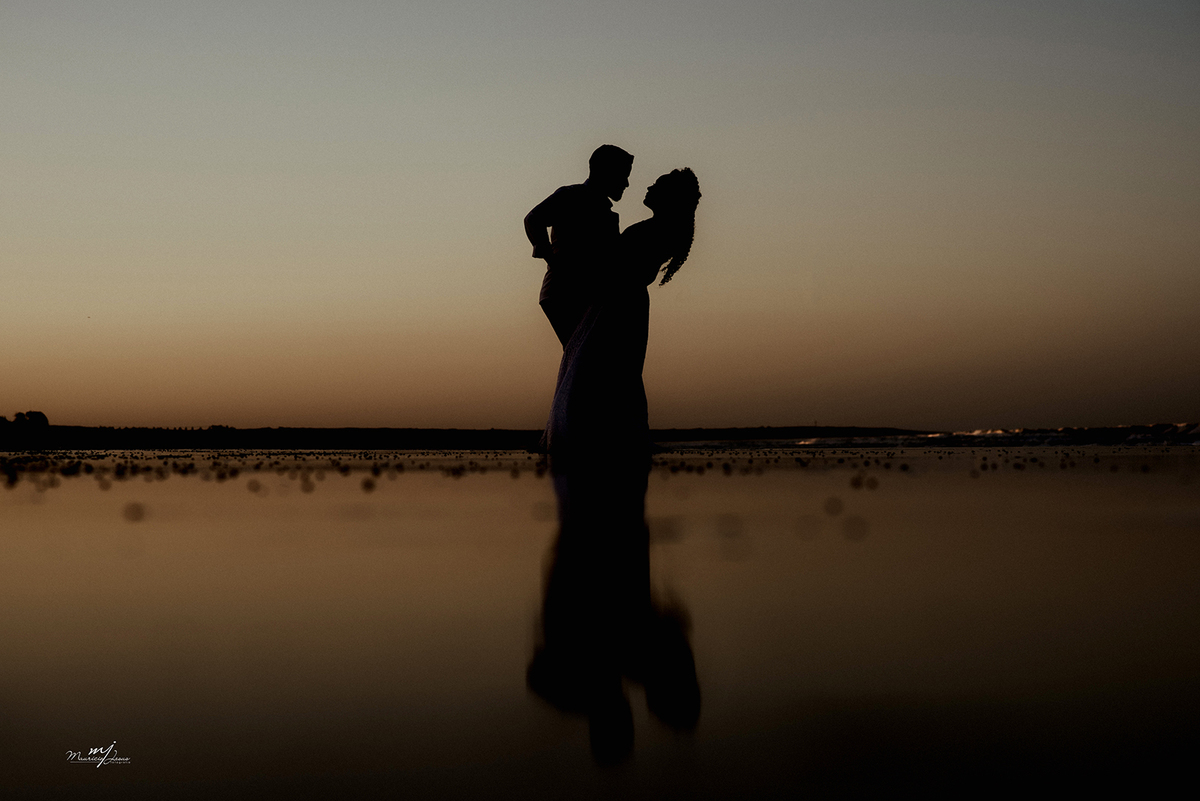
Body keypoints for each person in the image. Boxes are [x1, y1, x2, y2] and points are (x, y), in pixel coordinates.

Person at [542, 168, 702, 460]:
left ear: (669, 197)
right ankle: (599, 437)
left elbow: (624, 268)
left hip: (621, 304)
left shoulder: (658, 230)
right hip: (616, 300)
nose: (648, 187)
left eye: (657, 185)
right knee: (607, 370)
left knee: (608, 369)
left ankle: (599, 438)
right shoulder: (657, 228)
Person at [524, 145, 634, 348]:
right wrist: (553, 261)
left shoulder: (603, 210)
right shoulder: (572, 195)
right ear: (605, 172)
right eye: (623, 176)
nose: (627, 183)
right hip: (567, 293)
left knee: (585, 355)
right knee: (585, 354)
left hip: (581, 293)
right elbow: (533, 219)